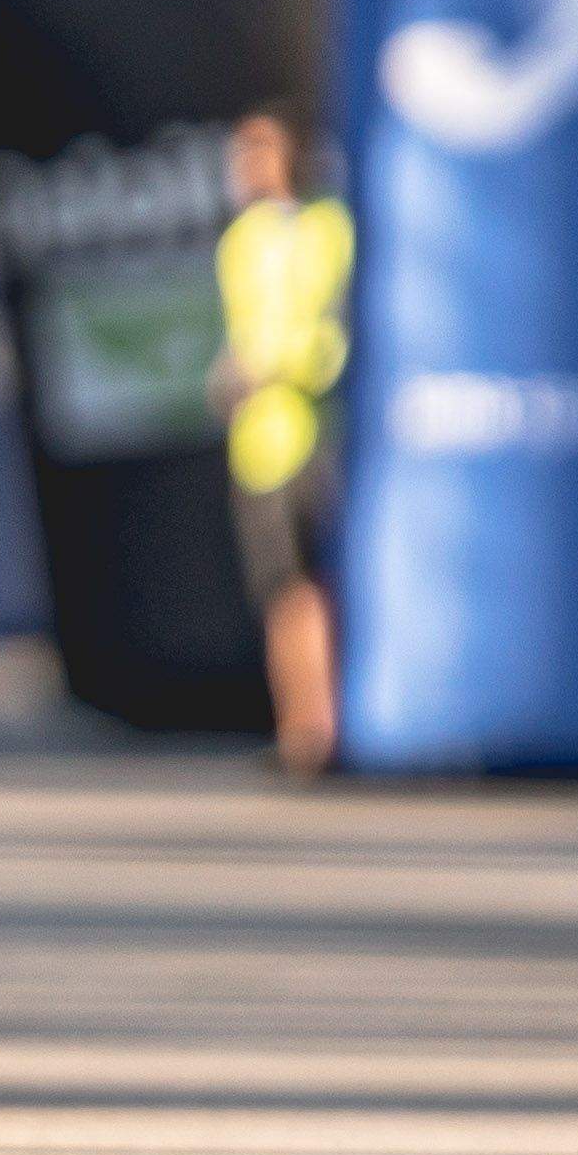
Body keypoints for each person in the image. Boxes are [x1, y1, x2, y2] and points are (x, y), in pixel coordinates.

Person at [211, 108, 354, 776]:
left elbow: (335, 336)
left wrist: (279, 366)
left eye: (260, 151)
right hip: (259, 445)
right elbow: (242, 335)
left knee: (313, 588)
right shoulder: (241, 240)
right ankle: (297, 725)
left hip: (312, 437)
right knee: (277, 591)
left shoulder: (330, 230)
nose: (247, 169)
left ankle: (325, 727)